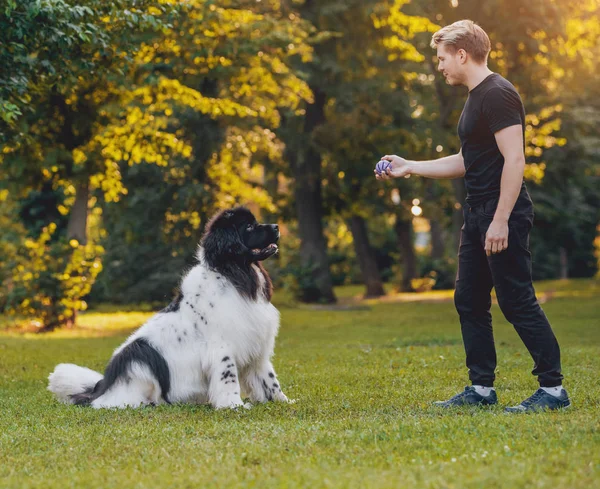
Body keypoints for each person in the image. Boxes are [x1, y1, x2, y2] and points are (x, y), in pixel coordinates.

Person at [376, 20, 569, 412]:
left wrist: (500, 219)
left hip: (503, 213)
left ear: (462, 54)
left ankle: (552, 390)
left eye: (442, 58)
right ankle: (481, 389)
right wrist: (410, 166)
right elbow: (468, 160)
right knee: (469, 299)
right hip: (478, 211)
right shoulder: (476, 96)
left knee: (516, 300)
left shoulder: (498, 94)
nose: (440, 66)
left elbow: (515, 159)